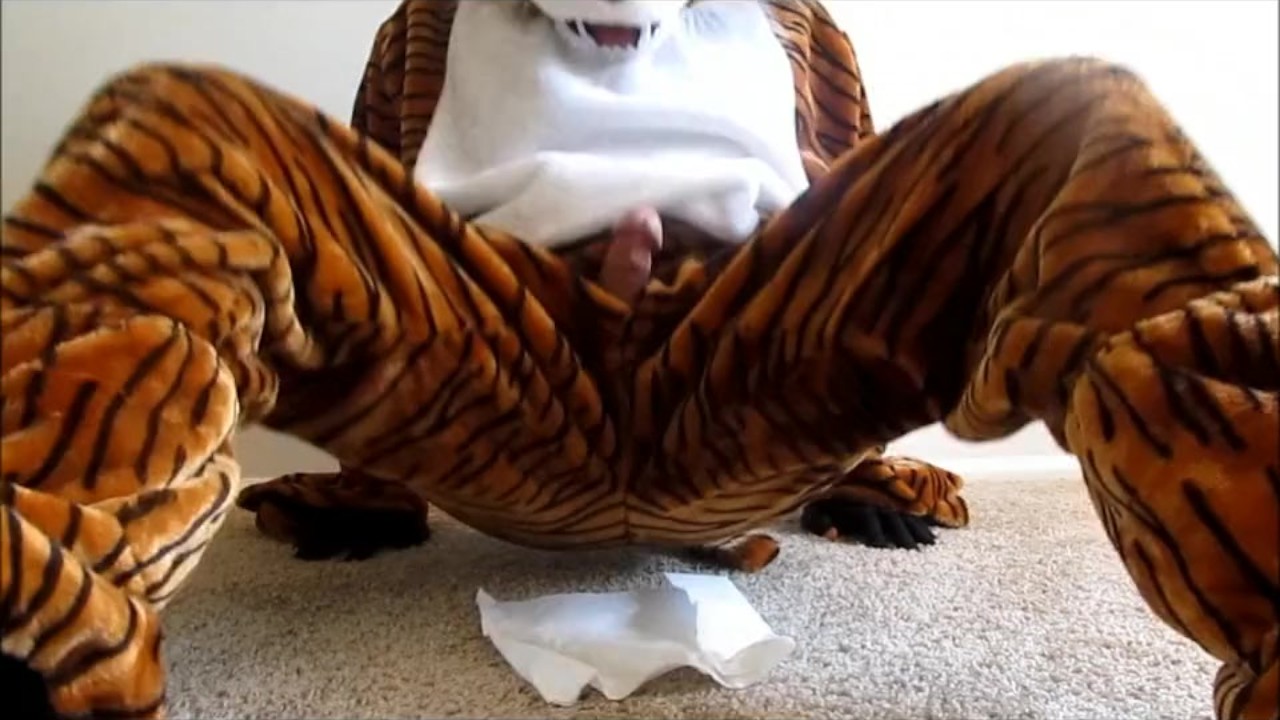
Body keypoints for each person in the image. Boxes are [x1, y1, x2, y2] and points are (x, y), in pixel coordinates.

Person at [1, 1, 1276, 718]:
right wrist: (375, 477)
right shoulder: (425, 30)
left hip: (745, 377)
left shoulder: (798, 32)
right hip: (489, 375)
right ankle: (39, 610)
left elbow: (871, 229)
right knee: (176, 128)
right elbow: (360, 238)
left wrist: (845, 454)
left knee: (1077, 117)